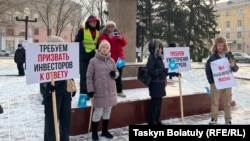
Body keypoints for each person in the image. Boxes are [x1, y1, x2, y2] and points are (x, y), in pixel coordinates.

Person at [40, 35, 74, 141]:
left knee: (65, 120)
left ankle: (65, 139)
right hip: (53, 94)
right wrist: (48, 88)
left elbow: (69, 72)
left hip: (65, 93)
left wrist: (72, 86)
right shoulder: (44, 61)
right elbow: (42, 79)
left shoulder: (65, 58)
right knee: (51, 122)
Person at [86, 39, 119, 141]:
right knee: (98, 112)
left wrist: (115, 74)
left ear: (109, 49)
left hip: (110, 91)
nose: (105, 49)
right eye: (103, 47)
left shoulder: (112, 60)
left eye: (107, 48)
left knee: (107, 111)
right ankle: (94, 132)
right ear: (99, 49)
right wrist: (90, 90)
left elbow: (117, 72)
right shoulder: (93, 61)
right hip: (99, 91)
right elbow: (89, 77)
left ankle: (105, 130)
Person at [205, 36, 239, 125]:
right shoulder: (212, 57)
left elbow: (235, 69)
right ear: (215, 46)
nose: (220, 47)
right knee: (214, 102)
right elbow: (207, 70)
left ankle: (228, 120)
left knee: (227, 102)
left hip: (227, 82)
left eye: (222, 45)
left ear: (225, 46)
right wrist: (211, 82)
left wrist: (232, 65)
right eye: (218, 45)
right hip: (215, 83)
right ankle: (214, 119)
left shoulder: (229, 56)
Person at [98, 20, 127, 98]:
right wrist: (109, 38)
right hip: (110, 59)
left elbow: (124, 43)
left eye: (112, 26)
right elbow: (102, 46)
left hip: (120, 59)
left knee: (119, 75)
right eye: (109, 26)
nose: (111, 28)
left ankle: (119, 91)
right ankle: (110, 91)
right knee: (110, 75)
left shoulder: (118, 34)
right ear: (106, 27)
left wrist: (121, 38)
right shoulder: (104, 35)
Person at [74, 15, 100, 99]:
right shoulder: (82, 30)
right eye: (92, 21)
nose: (94, 23)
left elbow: (97, 43)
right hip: (84, 57)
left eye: (95, 21)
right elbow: (77, 42)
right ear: (88, 22)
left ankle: (90, 93)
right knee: (84, 76)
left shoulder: (97, 31)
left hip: (93, 57)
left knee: (92, 76)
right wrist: (82, 51)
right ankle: (83, 95)